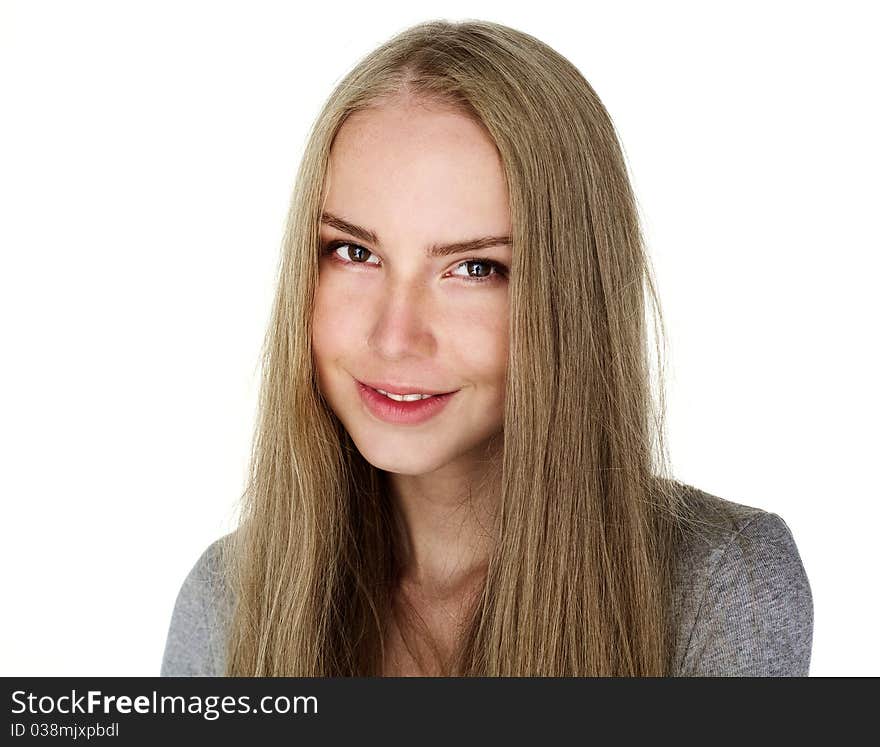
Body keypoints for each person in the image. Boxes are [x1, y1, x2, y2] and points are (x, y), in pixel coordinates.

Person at [160, 18, 813, 677]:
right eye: (355, 252)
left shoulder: (725, 581)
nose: (395, 335)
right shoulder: (228, 599)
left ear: (570, 302)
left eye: (474, 268)